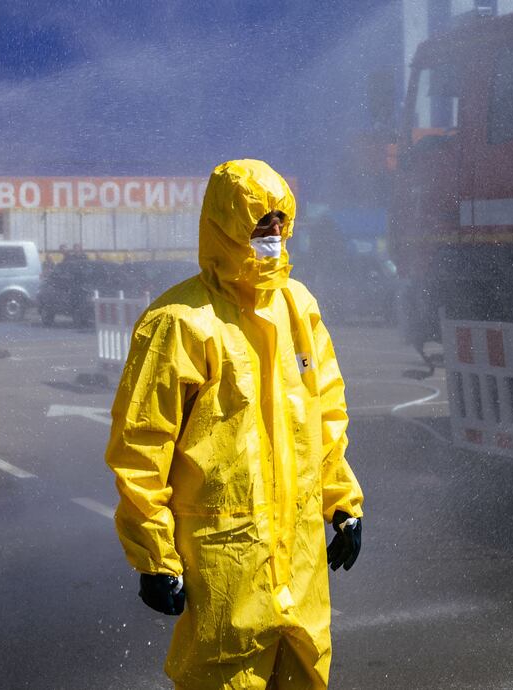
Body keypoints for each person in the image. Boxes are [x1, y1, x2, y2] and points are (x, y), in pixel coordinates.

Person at [105, 159, 364, 689]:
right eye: (257, 223)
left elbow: (326, 414)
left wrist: (343, 503)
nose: (271, 235)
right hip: (226, 564)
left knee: (306, 677)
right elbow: (141, 446)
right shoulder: (179, 322)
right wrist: (155, 557)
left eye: (278, 223)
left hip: (300, 563)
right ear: (223, 226)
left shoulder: (298, 306)